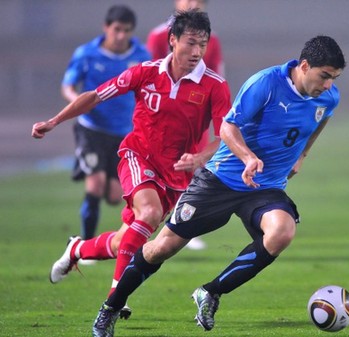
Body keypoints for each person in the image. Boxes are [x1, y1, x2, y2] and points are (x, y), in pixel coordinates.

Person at [89, 35, 346, 337]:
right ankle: (110, 308)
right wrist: (248, 158)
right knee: (162, 248)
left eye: (334, 78)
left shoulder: (329, 97)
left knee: (282, 232)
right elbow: (227, 127)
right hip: (221, 180)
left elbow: (320, 120)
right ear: (304, 66)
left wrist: (302, 154)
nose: (329, 84)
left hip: (265, 187)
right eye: (324, 76)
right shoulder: (264, 84)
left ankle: (211, 292)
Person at [31, 8, 231, 326]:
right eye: (190, 43)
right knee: (149, 215)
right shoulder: (145, 73)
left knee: (128, 239)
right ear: (172, 40)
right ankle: (114, 300)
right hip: (138, 157)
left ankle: (78, 248)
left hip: (178, 175)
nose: (196, 52)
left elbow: (225, 136)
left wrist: (200, 157)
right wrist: (54, 121)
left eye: (202, 44)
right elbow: (95, 96)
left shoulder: (214, 86)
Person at [61, 5, 151, 240]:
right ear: (106, 28)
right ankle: (84, 246)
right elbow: (68, 86)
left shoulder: (142, 56)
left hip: (124, 133)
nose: (121, 36)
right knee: (95, 185)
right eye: (117, 29)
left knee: (114, 196)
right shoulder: (86, 53)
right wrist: (77, 101)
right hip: (91, 129)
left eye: (127, 31)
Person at [147, 0, 225, 250]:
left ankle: (181, 225)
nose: (193, 3)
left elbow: (216, 73)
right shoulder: (159, 35)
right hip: (161, 115)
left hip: (196, 112)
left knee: (194, 166)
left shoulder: (212, 41)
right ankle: (145, 223)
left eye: (199, 1)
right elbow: (149, 72)